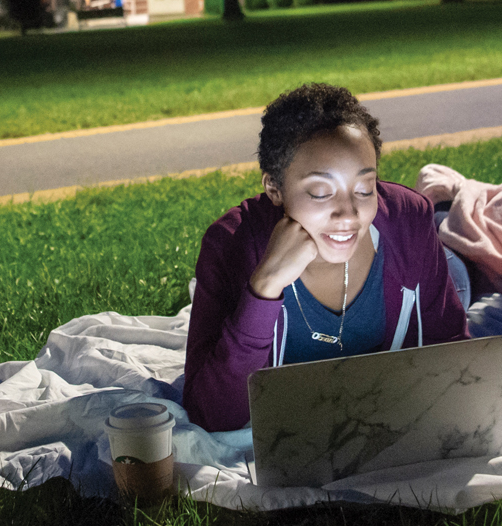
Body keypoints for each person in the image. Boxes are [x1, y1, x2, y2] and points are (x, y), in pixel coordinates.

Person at [183, 83, 470, 432]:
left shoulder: (408, 218)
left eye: (365, 189)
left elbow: (456, 358)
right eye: (321, 192)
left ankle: (453, 221)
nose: (348, 214)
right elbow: (210, 415)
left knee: (466, 276)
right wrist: (264, 288)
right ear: (274, 187)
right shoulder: (229, 244)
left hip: (441, 264)